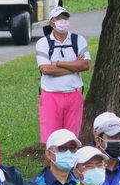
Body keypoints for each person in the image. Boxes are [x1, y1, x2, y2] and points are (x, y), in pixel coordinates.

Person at [33, 9, 91, 142]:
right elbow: (46, 69)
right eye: (58, 18)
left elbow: (85, 65)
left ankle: (71, 163)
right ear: (51, 23)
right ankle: (51, 163)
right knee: (51, 140)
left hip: (73, 95)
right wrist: (74, 66)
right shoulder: (43, 43)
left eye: (65, 18)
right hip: (51, 95)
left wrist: (58, 63)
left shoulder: (78, 40)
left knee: (72, 139)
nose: (62, 21)